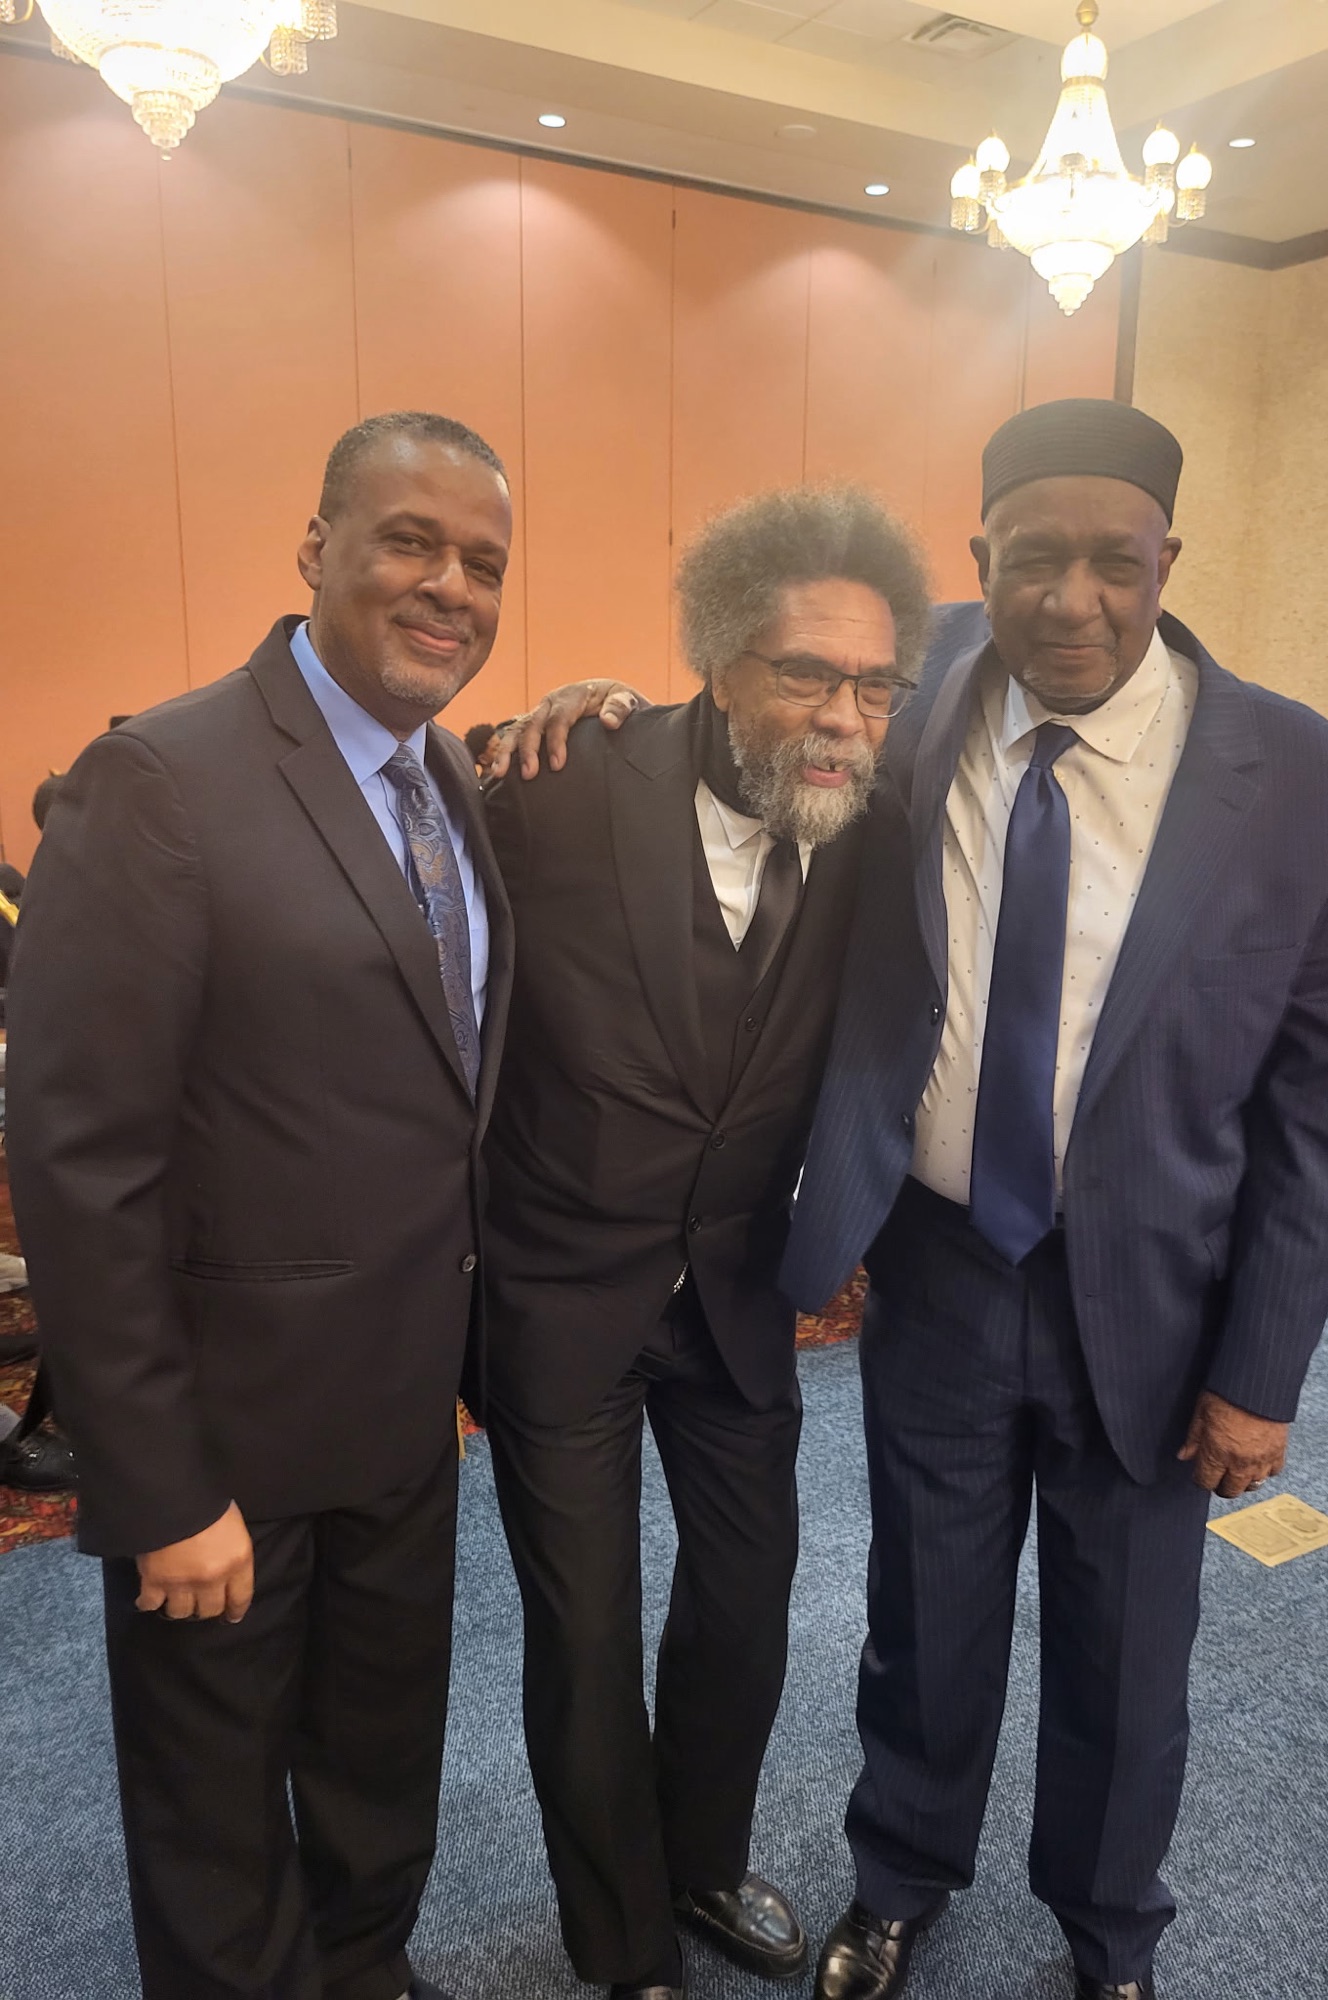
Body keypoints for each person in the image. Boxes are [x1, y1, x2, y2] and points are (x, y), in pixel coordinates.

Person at [775, 400, 1328, 2000]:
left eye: (1112, 563)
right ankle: (901, 1876)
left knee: (1130, 1659)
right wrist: (574, 705)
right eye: (1030, 558)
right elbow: (729, 724)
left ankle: (1110, 1934)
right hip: (938, 1270)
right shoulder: (904, 702)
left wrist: (1264, 1369)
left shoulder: (1315, 786)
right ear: (976, 556)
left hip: (1161, 1297)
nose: (1071, 600)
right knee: (924, 1613)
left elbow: (1324, 1104)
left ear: (1168, 561)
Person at [6, 409, 515, 2000]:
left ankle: (362, 1972)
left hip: (401, 1418)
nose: (450, 586)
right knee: (218, 1829)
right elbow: (80, 1160)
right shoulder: (158, 775)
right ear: (316, 550)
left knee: (378, 1782)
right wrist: (154, 1483)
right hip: (222, 1447)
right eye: (409, 542)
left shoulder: (452, 781)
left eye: (484, 562)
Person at [482, 486, 930, 2000]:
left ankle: (702, 1859)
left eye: (873, 684)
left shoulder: (867, 820)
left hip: (741, 1295)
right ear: (720, 663)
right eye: (808, 673)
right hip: (560, 1294)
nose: (843, 713)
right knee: (588, 1635)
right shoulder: (556, 779)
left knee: (746, 1601)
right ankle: (621, 1945)